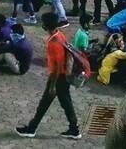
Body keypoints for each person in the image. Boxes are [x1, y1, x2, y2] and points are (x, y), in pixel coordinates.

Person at [15, 12, 81, 140]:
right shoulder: (59, 35)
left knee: (45, 103)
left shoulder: (53, 42)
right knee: (65, 102)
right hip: (63, 76)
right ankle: (74, 129)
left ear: (46, 25)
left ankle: (32, 128)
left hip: (57, 77)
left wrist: (52, 85)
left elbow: (56, 66)